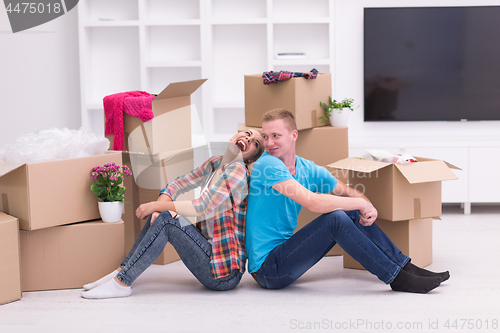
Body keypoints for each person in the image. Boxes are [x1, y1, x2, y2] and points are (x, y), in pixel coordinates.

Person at [246, 108, 449, 293]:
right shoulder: (267, 164)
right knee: (336, 219)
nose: (269, 143)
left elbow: (349, 192)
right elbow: (313, 203)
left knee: (349, 212)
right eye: (265, 136)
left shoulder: (308, 168)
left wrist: (368, 206)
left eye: (275, 136)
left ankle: (405, 267)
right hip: (268, 270)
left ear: (293, 135)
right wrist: (360, 204)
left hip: (285, 254)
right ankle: (397, 278)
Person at [82, 129, 264, 299]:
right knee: (164, 215)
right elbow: (178, 183)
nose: (248, 139)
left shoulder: (238, 171)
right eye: (247, 134)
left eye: (255, 143)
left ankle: (122, 282)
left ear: (250, 158)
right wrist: (161, 204)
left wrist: (155, 206)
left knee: (167, 218)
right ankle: (121, 271)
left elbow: (204, 206)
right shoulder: (215, 163)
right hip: (209, 255)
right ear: (235, 135)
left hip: (224, 273)